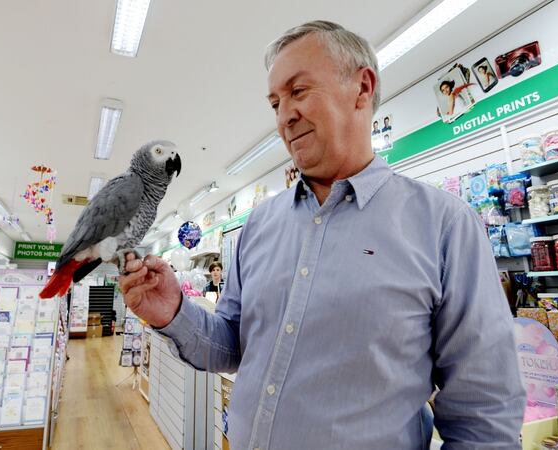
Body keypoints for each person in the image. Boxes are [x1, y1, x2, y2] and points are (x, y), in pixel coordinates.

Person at [120, 20, 525, 449]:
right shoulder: (259, 226)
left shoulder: (445, 224)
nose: (284, 116)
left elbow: (484, 415)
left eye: (298, 91)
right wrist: (173, 312)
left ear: (362, 88)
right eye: (275, 102)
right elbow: (232, 347)